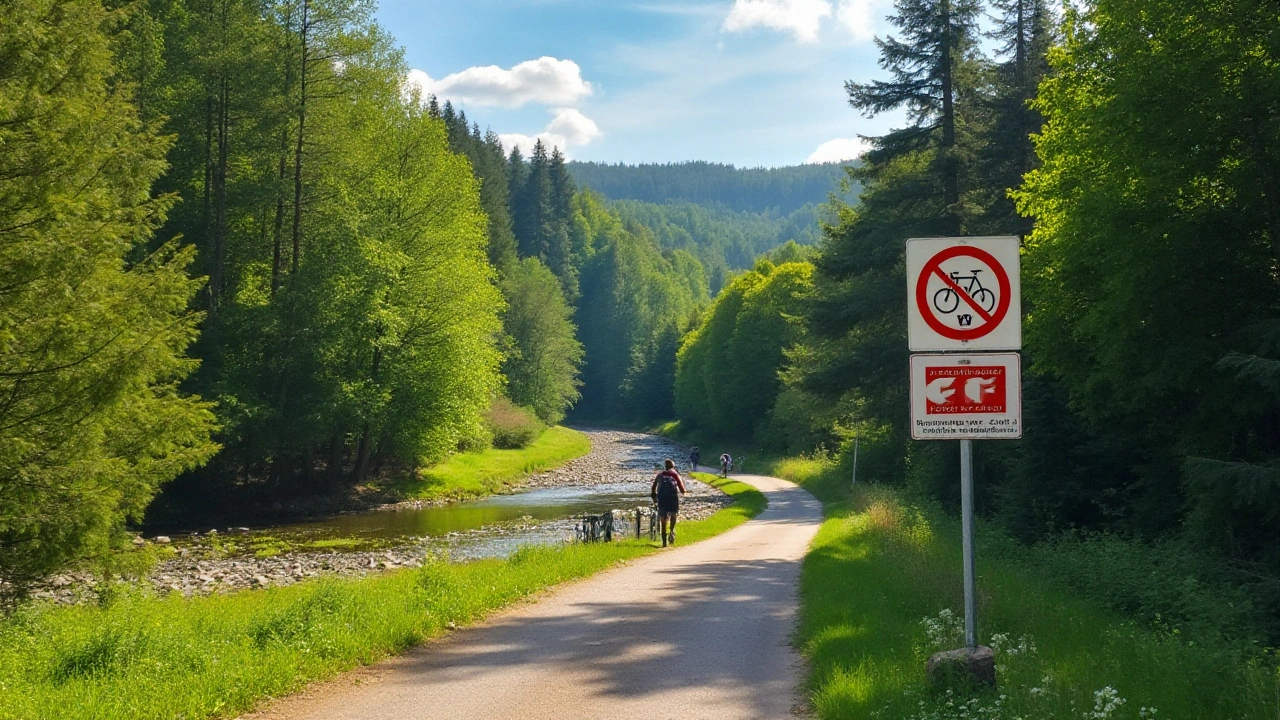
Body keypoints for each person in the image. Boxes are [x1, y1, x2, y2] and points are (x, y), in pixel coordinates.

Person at [650, 459, 686, 547]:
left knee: (663, 521)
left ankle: (664, 543)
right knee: (673, 515)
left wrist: (655, 499)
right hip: (672, 498)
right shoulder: (675, 474)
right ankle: (671, 531)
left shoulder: (660, 475)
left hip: (662, 499)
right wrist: (685, 492)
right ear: (673, 467)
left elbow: (653, 488)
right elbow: (682, 490)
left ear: (665, 467)